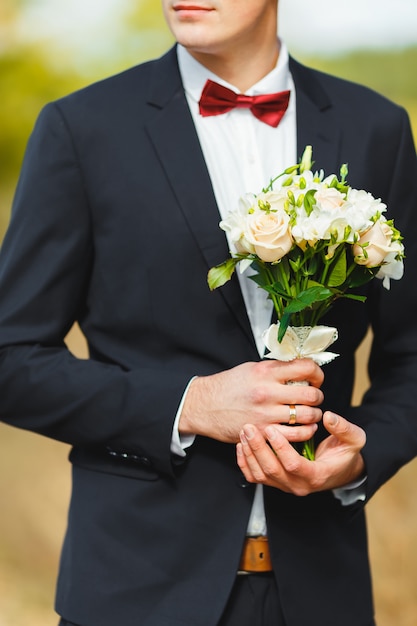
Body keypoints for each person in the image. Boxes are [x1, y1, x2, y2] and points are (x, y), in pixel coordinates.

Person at [0, 1, 416, 625]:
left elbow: (411, 355)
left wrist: (362, 459)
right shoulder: (81, 127)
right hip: (135, 594)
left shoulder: (376, 126)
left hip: (321, 594)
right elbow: (11, 358)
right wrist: (188, 405)